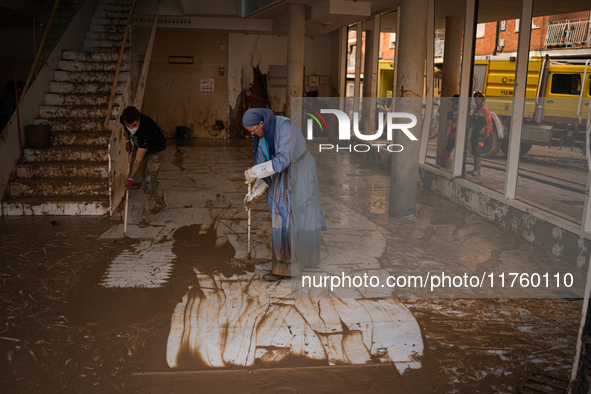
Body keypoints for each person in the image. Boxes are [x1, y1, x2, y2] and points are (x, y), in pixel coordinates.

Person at [242, 108, 326, 281]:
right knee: (278, 210)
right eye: (249, 131)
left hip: (300, 169)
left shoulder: (285, 127)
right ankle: (285, 264)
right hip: (282, 173)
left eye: (253, 130)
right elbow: (263, 167)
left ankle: (294, 265)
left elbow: (283, 159)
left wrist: (255, 171)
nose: (253, 134)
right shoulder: (260, 138)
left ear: (262, 123)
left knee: (299, 212)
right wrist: (255, 192)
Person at [120, 106, 167, 227]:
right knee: (148, 178)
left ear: (139, 119)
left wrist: (130, 179)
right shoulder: (125, 118)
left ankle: (145, 215)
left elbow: (138, 159)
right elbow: (124, 128)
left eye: (134, 125)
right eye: (129, 125)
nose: (131, 128)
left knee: (148, 182)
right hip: (141, 146)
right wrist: (127, 141)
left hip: (156, 149)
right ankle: (161, 203)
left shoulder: (147, 129)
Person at [469, 91, 492, 176]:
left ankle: (477, 170)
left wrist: (486, 134)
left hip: (481, 135)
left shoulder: (485, 110)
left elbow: (489, 124)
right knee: (474, 151)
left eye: (479, 99)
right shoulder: (475, 110)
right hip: (475, 134)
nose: (477, 100)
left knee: (478, 152)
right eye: (476, 98)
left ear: (482, 100)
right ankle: (475, 169)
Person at [440, 94, 459, 168]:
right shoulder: (464, 113)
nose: (452, 104)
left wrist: (446, 137)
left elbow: (449, 125)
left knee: (446, 152)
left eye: (453, 103)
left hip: (452, 136)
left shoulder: (451, 113)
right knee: (458, 154)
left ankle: (442, 166)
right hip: (460, 137)